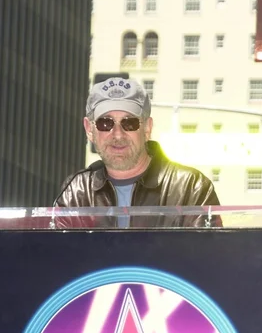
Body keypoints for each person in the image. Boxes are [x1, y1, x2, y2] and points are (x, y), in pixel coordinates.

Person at [55, 77, 220, 228]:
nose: (118, 134)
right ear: (89, 129)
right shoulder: (77, 190)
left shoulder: (191, 187)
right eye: (105, 123)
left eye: (130, 123)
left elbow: (206, 256)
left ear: (147, 128)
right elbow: (58, 256)